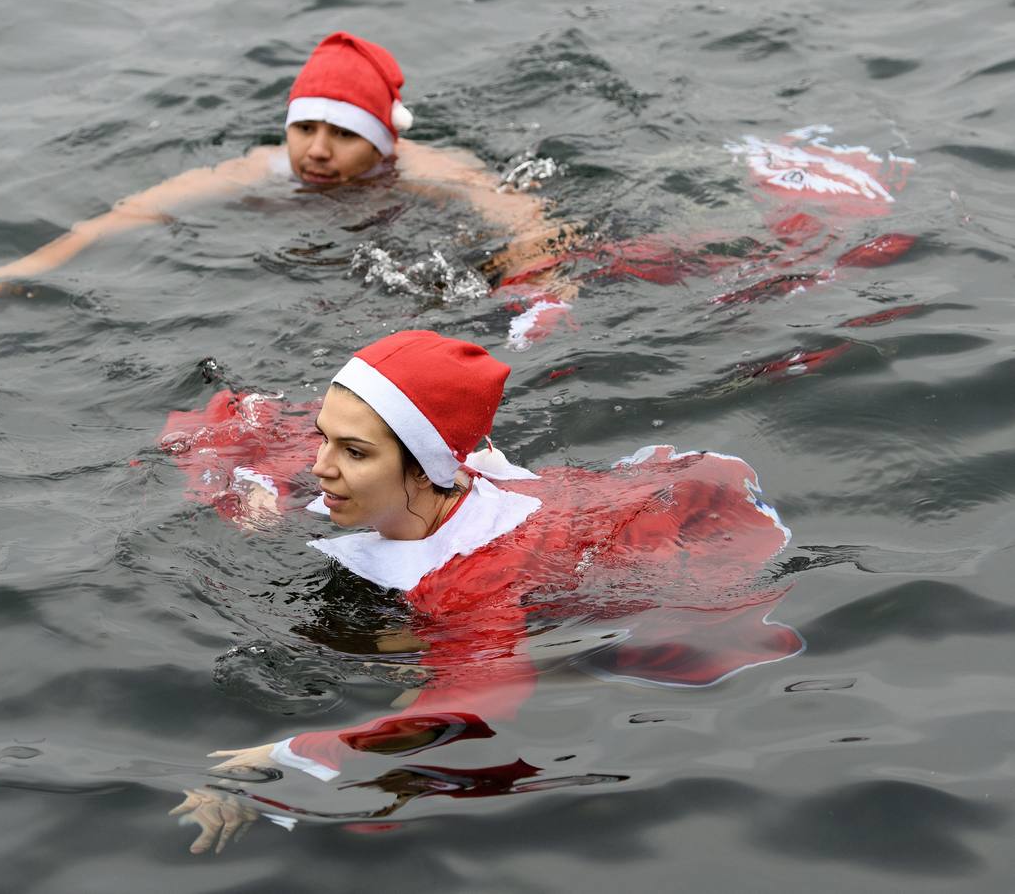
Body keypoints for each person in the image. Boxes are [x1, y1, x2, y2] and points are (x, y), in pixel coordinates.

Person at [170, 330, 801, 852]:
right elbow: (231, 430)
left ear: (423, 467)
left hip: (668, 540)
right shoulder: (387, 472)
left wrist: (285, 763)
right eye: (323, 436)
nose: (320, 465)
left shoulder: (475, 577)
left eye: (354, 452)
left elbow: (477, 697)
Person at [0, 32, 580, 323]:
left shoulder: (426, 171)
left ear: (381, 140)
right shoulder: (258, 170)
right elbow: (127, 216)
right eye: (305, 127)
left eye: (343, 135)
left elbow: (524, 219)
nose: (316, 150)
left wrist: (543, 294)